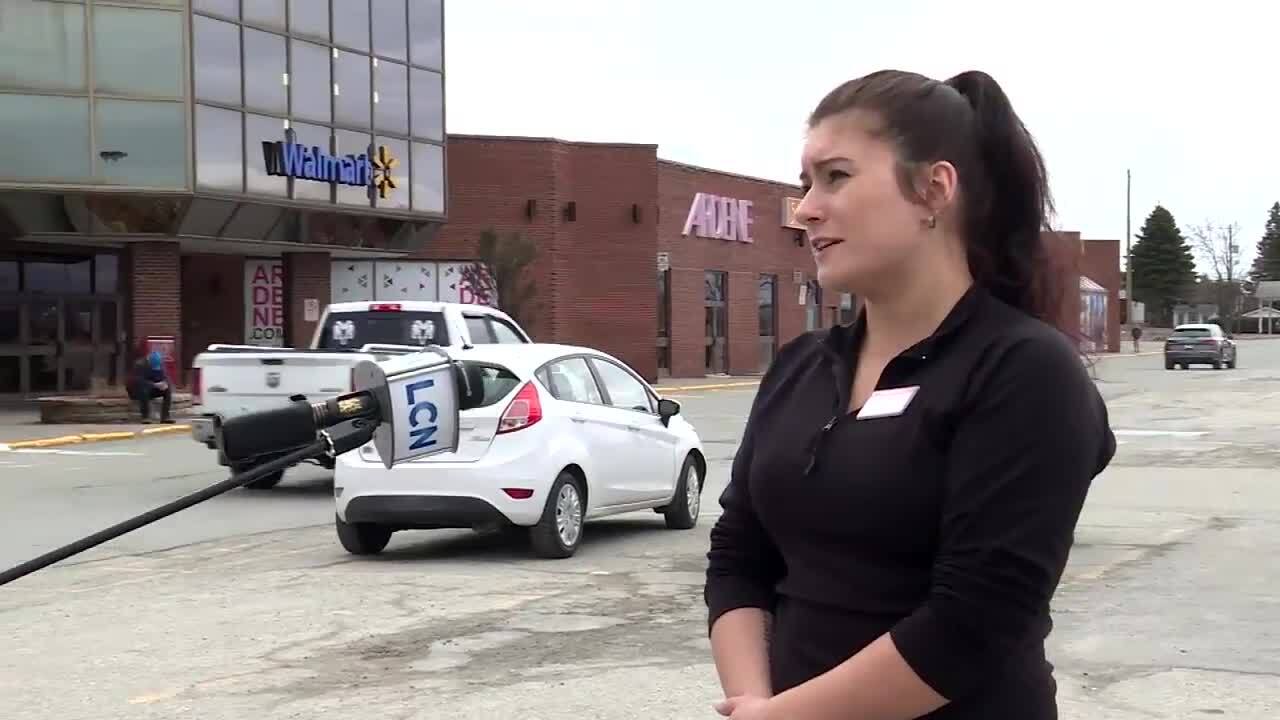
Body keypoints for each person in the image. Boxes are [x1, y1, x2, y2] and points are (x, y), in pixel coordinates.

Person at [705, 69, 1116, 720]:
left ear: (933, 190)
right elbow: (738, 555)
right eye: (805, 182)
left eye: (836, 176)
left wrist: (784, 718)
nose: (807, 207)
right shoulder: (800, 367)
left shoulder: (1024, 371)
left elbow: (973, 621)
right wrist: (753, 700)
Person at [128, 350, 173, 424]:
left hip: (152, 388)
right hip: (136, 390)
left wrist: (164, 383)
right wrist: (154, 385)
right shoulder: (139, 364)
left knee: (167, 390)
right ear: (149, 361)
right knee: (144, 389)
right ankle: (145, 417)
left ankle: (165, 416)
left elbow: (165, 377)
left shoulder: (160, 364)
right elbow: (138, 381)